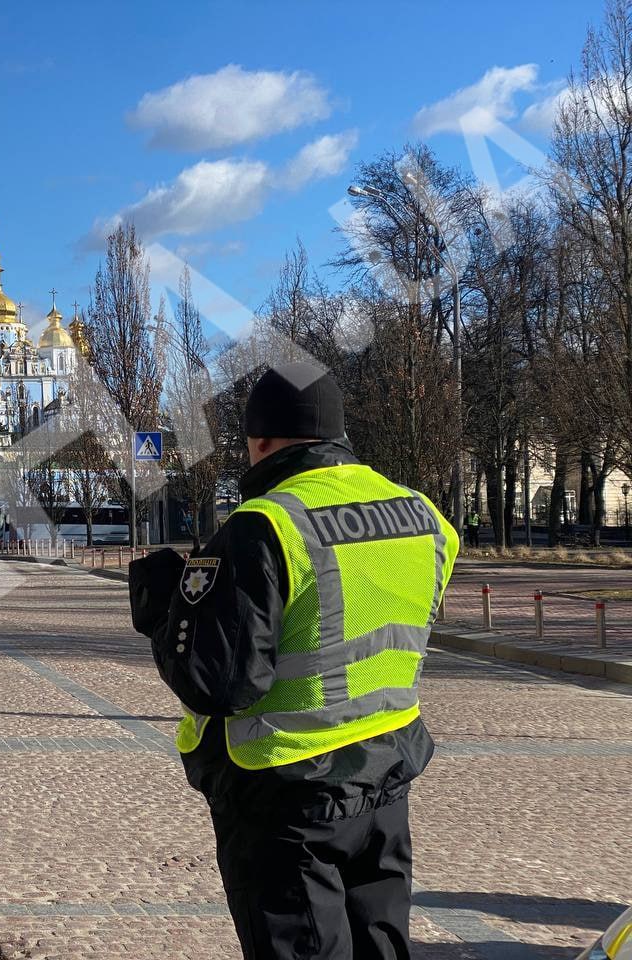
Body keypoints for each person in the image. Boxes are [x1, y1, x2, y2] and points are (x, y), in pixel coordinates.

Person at [129, 362, 457, 960]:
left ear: (259, 441)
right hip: (386, 771)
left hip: (287, 791)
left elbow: (217, 683)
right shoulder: (423, 515)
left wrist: (164, 611)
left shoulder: (266, 524)